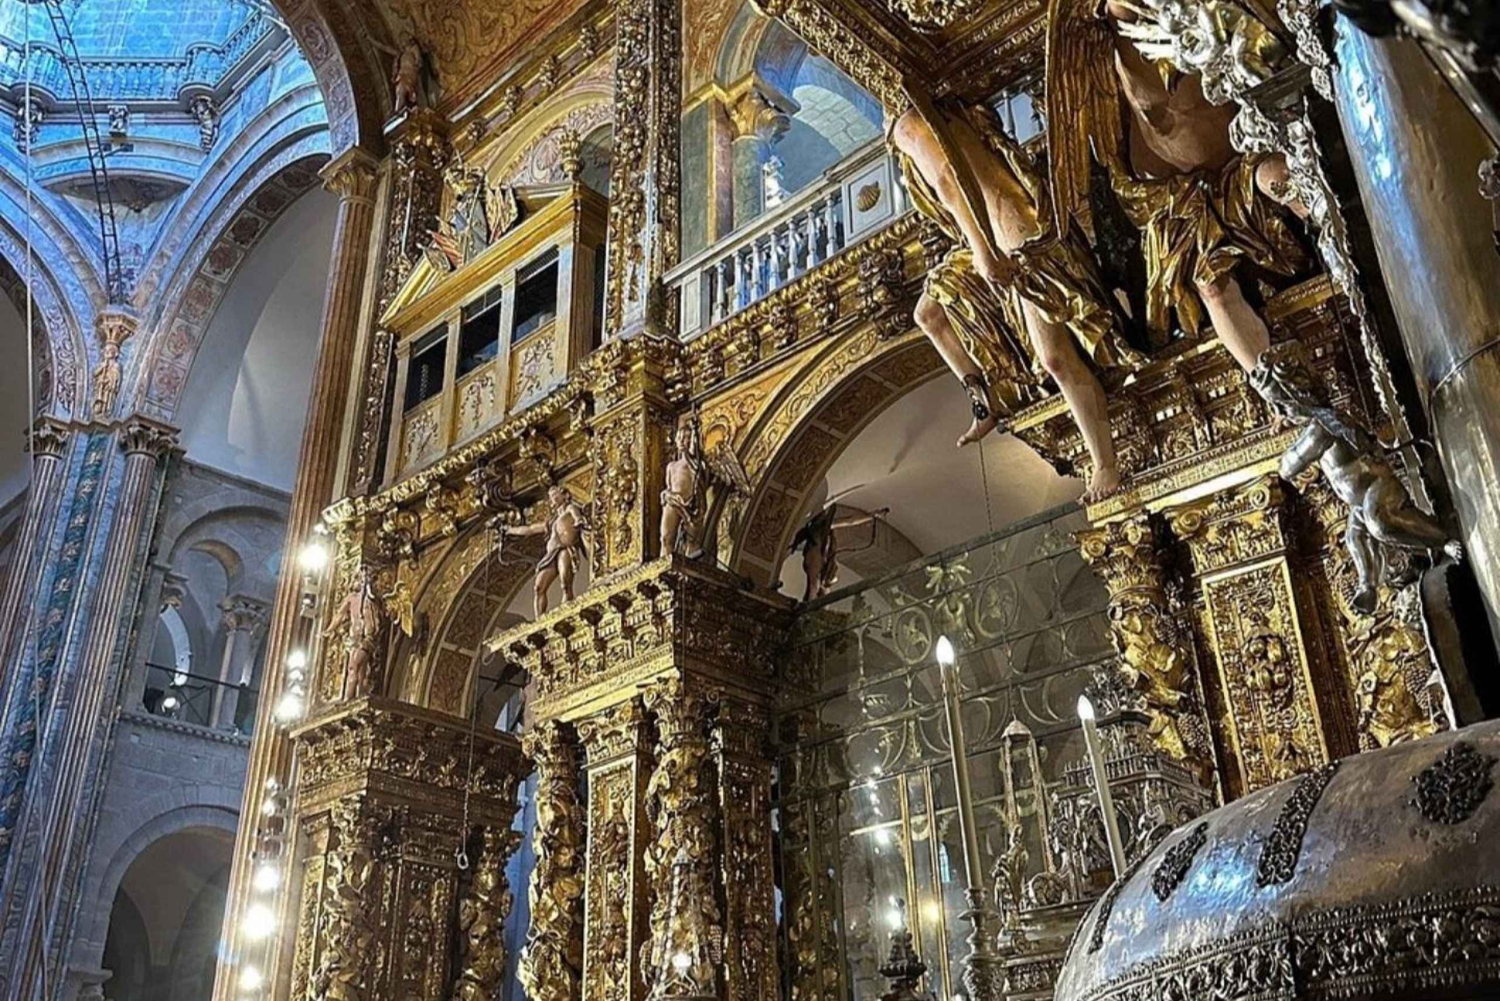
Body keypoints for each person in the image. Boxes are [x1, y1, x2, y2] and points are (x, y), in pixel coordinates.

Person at [889, 99, 1142, 500]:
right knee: (930, 312)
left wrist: (983, 252)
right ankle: (983, 403)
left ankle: (1105, 464)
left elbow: (949, 183)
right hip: (996, 231)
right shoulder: (932, 111)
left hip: (1015, 233)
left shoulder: (909, 123)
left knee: (1055, 358)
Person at [503, 484, 591, 616]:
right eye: (550, 497)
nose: (552, 499)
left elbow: (577, 515)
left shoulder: (570, 508)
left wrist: (579, 521)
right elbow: (531, 529)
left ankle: (567, 612)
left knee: (565, 583)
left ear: (565, 495)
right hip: (551, 554)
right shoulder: (552, 522)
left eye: (555, 495)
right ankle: (539, 620)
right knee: (538, 587)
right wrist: (509, 530)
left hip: (564, 549)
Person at [790, 504, 890, 603]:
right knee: (814, 583)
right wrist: (871, 516)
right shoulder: (818, 529)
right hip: (815, 555)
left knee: (820, 583)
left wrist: (871, 516)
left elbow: (850, 521)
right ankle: (811, 604)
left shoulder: (824, 529)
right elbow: (849, 521)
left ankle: (817, 603)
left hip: (820, 557)